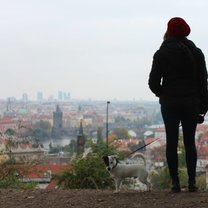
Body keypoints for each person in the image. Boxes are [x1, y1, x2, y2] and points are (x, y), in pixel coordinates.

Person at [148, 17, 208, 193]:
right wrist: (203, 109)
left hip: (170, 104)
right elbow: (203, 83)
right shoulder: (197, 52)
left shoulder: (161, 53)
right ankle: (192, 183)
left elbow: (153, 83)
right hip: (191, 103)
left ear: (169, 31)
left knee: (171, 142)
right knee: (190, 143)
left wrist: (163, 94)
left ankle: (175, 183)